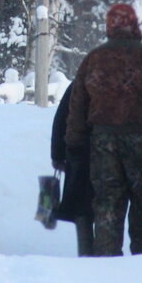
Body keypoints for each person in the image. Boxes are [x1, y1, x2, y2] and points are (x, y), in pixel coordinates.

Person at [65, 2, 142, 256]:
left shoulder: (93, 59)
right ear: (135, 25)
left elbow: (78, 106)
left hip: (102, 141)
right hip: (141, 140)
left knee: (107, 200)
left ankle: (106, 257)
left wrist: (73, 144)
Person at [50, 85, 94, 256]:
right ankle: (107, 254)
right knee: (106, 206)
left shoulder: (81, 80)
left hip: (79, 154)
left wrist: (57, 156)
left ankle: (86, 253)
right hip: (104, 155)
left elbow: (60, 119)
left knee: (82, 209)